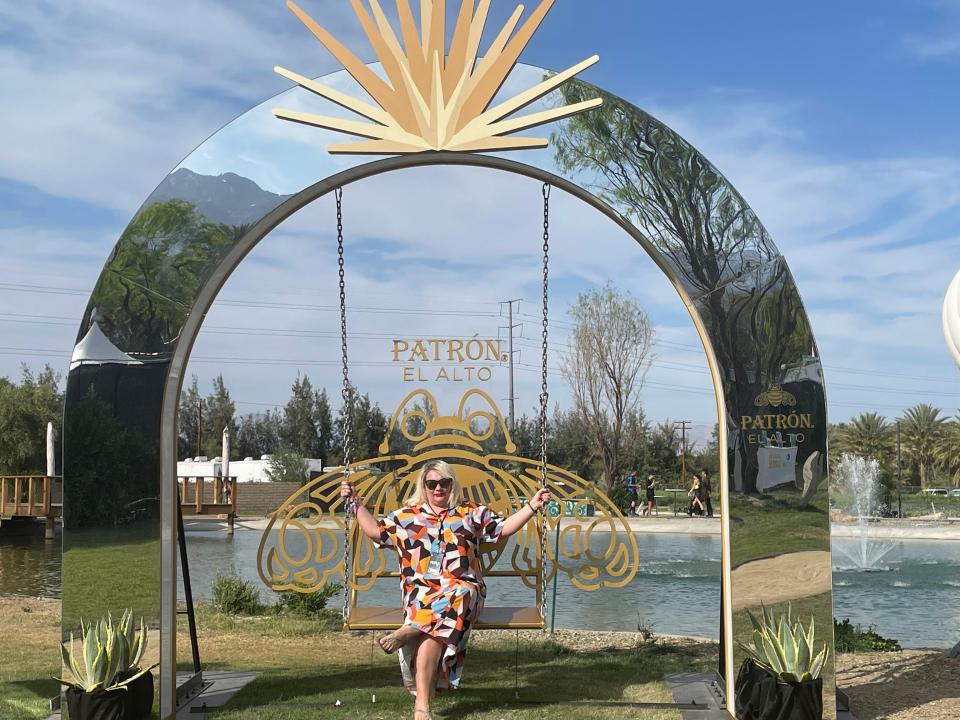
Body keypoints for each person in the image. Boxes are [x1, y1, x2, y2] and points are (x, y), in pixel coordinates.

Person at [340, 460, 551, 720]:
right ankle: (422, 708)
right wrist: (354, 502)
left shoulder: (470, 513)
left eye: (444, 482)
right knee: (434, 634)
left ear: (452, 484)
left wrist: (533, 505)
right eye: (432, 483)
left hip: (464, 593)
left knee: (462, 591)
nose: (438, 488)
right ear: (424, 486)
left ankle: (411, 629)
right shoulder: (408, 517)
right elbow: (375, 531)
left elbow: (503, 529)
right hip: (422, 595)